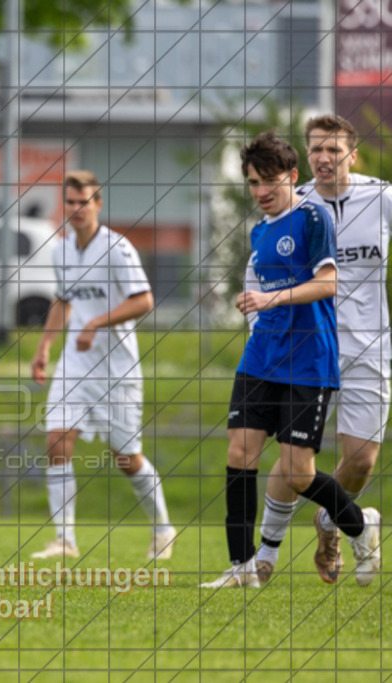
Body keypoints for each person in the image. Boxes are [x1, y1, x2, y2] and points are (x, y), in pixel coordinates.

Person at [200, 131, 381, 589]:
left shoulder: (313, 218)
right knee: (240, 454)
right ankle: (242, 567)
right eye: (253, 183)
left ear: (292, 177)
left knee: (298, 474)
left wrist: (270, 298)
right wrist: (253, 305)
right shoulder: (259, 231)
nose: (261, 192)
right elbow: (258, 293)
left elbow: (327, 284)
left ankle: (359, 526)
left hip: (309, 361)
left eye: (269, 181)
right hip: (262, 358)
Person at [253, 115, 390, 584]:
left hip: (370, 348)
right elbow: (261, 268)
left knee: (362, 460)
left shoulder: (382, 196)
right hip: (306, 346)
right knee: (293, 458)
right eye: (316, 150)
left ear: (353, 154)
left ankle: (332, 523)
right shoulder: (294, 203)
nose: (324, 158)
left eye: (334, 150)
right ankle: (264, 556)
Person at [29, 171, 177, 561]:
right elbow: (63, 301)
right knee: (57, 442)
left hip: (117, 370)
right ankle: (65, 540)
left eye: (84, 202)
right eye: (70, 202)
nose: (76, 209)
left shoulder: (118, 248)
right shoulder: (61, 250)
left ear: (98, 204)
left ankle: (163, 529)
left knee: (127, 457)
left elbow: (143, 301)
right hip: (75, 363)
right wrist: (45, 346)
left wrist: (95, 323)